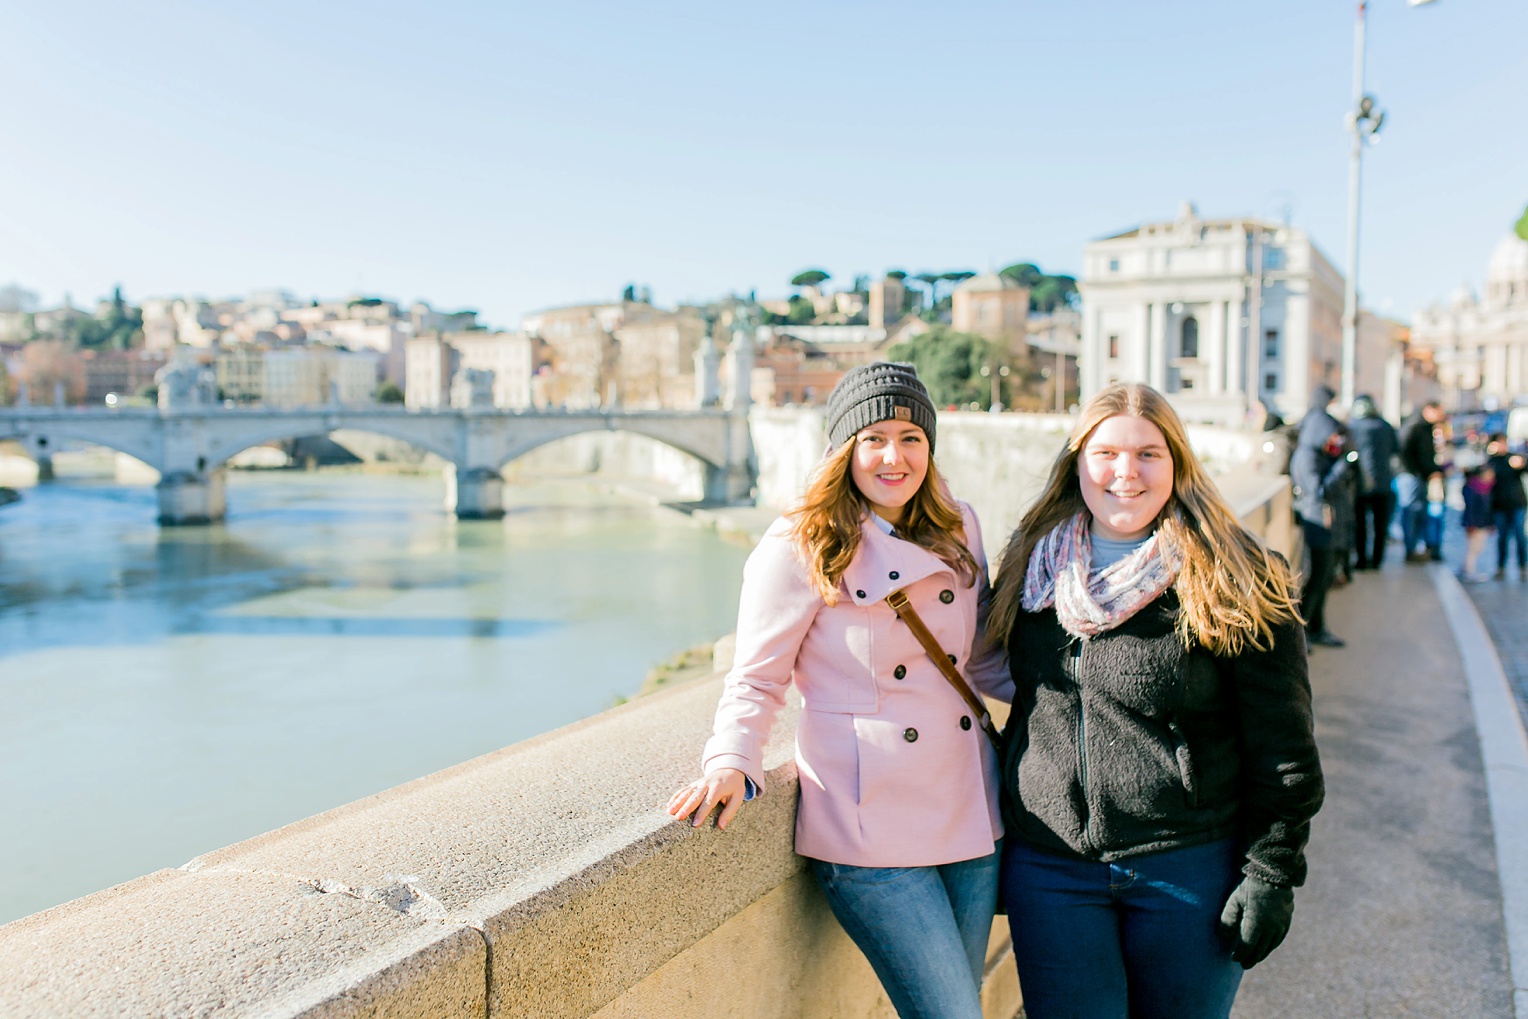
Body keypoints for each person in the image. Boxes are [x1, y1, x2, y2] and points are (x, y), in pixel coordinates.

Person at [667, 362, 1011, 1019]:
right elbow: (757, 674)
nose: (894, 455)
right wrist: (731, 758)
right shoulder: (800, 543)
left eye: (911, 436)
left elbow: (980, 659)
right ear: (842, 449)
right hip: (870, 821)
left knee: (963, 1003)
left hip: (971, 809)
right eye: (873, 437)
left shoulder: (960, 525)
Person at [985, 382, 1324, 1019]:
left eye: (1148, 454)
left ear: (1178, 464)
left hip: (1189, 869)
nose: (1125, 473)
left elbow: (1284, 747)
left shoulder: (1236, 577)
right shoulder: (1033, 569)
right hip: (1051, 872)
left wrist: (1273, 871)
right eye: (1105, 452)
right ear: (1075, 461)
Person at [1289, 384, 1350, 648]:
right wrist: (1342, 467)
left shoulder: (1317, 454)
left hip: (1327, 522)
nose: (1334, 441)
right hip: (1319, 522)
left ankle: (1317, 628)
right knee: (1316, 578)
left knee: (1324, 578)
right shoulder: (1307, 457)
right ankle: (1304, 633)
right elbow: (1318, 491)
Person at [1347, 394, 1399, 570]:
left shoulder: (1352, 427)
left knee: (1360, 525)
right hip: (1383, 483)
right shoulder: (1385, 426)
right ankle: (1377, 560)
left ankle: (1361, 560)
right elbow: (1395, 450)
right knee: (1380, 525)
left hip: (1360, 484)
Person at [1397, 402, 1446, 562]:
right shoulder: (1415, 426)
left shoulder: (1425, 427)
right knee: (1411, 512)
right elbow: (1403, 451)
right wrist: (1415, 471)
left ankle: (1418, 547)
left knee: (1419, 513)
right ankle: (1411, 549)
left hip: (1420, 475)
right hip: (1412, 476)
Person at [1486, 433, 1527, 580]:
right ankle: (1501, 567)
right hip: (1499, 506)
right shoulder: (1491, 461)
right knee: (1502, 538)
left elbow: (1523, 467)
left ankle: (1523, 567)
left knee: (1520, 537)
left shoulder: (1513, 458)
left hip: (1517, 504)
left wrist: (1521, 463)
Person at [1460, 464, 1495, 582]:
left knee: (1477, 548)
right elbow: (1471, 507)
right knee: (1474, 548)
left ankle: (1467, 568)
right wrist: (1471, 524)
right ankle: (1469, 570)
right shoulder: (1474, 488)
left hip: (1482, 523)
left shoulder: (1486, 488)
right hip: (1475, 524)